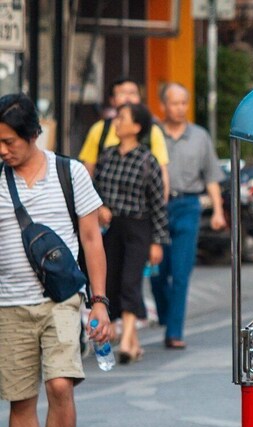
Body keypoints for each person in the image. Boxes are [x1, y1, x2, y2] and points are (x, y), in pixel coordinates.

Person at [0, 93, 110, 427]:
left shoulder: (70, 172)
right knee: (20, 399)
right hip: (8, 303)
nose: (3, 150)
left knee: (61, 385)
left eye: (9, 142)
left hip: (62, 299)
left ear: (32, 135)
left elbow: (91, 237)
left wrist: (99, 300)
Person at [151, 83, 226, 349]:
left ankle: (174, 332)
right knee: (157, 270)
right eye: (175, 103)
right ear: (163, 105)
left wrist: (217, 210)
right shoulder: (152, 134)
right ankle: (164, 313)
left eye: (184, 103)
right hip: (156, 207)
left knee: (181, 272)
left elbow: (212, 177)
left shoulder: (200, 136)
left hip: (188, 206)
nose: (180, 108)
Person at [93, 103, 168, 363]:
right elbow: (94, 189)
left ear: (136, 127)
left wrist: (157, 242)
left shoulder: (148, 160)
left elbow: (158, 204)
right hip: (111, 227)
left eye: (122, 117)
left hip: (139, 227)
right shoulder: (108, 156)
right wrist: (100, 206)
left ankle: (126, 340)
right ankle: (133, 345)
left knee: (130, 280)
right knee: (112, 279)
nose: (117, 121)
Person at [79, 76, 170, 200]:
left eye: (133, 93)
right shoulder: (99, 130)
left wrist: (162, 203)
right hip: (104, 210)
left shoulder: (152, 131)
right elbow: (88, 171)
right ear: (112, 100)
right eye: (122, 93)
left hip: (140, 210)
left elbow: (161, 173)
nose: (128, 98)